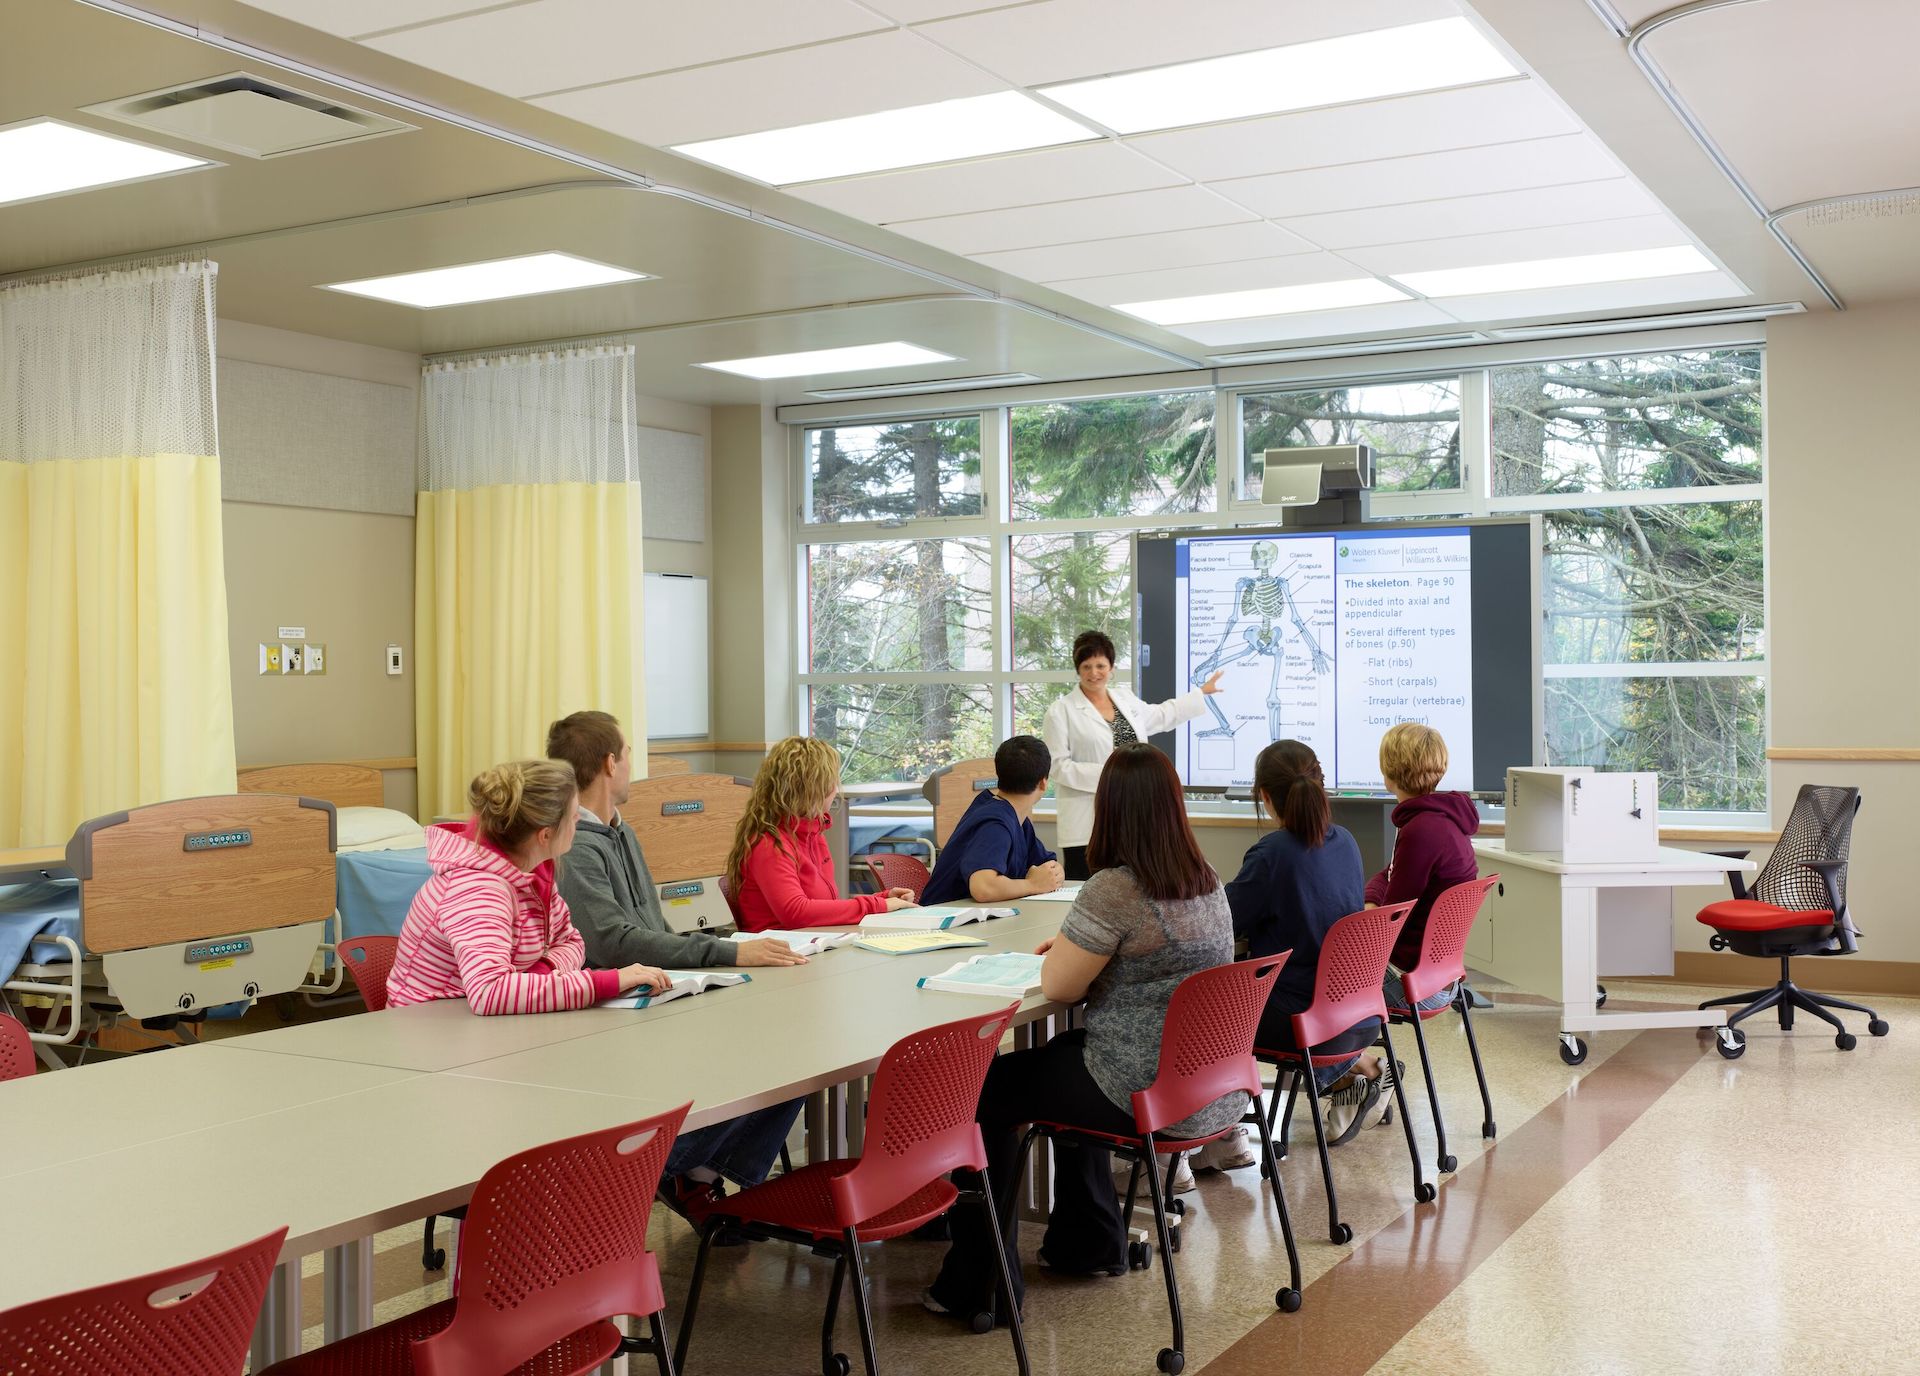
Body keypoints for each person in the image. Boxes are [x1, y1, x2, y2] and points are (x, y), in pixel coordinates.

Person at [925, 744, 1244, 1321]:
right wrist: (1084, 951)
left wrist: (1069, 956)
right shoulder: (1205, 880)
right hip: (1202, 1084)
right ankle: (1087, 1244)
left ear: (1112, 810)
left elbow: (1064, 988)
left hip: (1137, 1085)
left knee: (983, 1090)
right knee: (1064, 1058)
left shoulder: (1115, 888)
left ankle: (981, 1284)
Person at [386, 760, 671, 1016]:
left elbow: (572, 943)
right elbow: (490, 993)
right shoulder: (477, 889)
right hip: (430, 1037)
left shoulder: (535, 872)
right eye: (574, 816)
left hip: (488, 1027)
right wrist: (608, 981)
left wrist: (540, 972)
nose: (579, 821)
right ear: (545, 835)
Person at [546, 710, 809, 971]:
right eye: (628, 753)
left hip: (654, 982)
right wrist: (726, 952)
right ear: (611, 763)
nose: (630, 766)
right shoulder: (575, 849)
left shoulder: (623, 831)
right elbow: (615, 944)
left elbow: (657, 928)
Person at [1224, 740, 1392, 1145]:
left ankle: (1220, 1137)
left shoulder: (1271, 854)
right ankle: (1357, 1070)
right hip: (1357, 1014)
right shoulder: (1347, 841)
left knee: (1213, 1017)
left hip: (1304, 1019)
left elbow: (1223, 920)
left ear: (1264, 795)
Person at [1042, 629, 1224, 883]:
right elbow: (1058, 767)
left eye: (1100, 665)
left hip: (1132, 817)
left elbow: (1160, 715)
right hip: (1087, 822)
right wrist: (1112, 776)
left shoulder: (1124, 700)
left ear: (1111, 667)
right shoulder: (1060, 711)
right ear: (1077, 669)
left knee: (1130, 889)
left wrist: (1200, 694)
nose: (1094, 673)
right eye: (1086, 666)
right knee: (1088, 890)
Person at [728, 737, 918, 931]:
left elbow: (822, 906)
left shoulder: (813, 834)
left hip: (810, 943)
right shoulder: (770, 844)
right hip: (781, 950)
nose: (836, 790)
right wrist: (877, 906)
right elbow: (796, 913)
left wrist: (883, 899)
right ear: (811, 790)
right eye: (832, 782)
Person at [1365, 722, 1480, 1017]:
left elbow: (1391, 917)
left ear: (1388, 770)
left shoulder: (1421, 830)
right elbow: (1389, 874)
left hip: (1411, 984)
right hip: (1440, 979)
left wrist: (1371, 904)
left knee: (1308, 979)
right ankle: (1359, 1062)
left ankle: (1350, 1062)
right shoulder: (1441, 821)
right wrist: (1372, 897)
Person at [918, 735, 1064, 906]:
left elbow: (1046, 865)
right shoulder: (994, 824)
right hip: (940, 922)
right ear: (1043, 783)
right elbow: (983, 887)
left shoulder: (1019, 820)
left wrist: (1053, 873)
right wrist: (1033, 884)